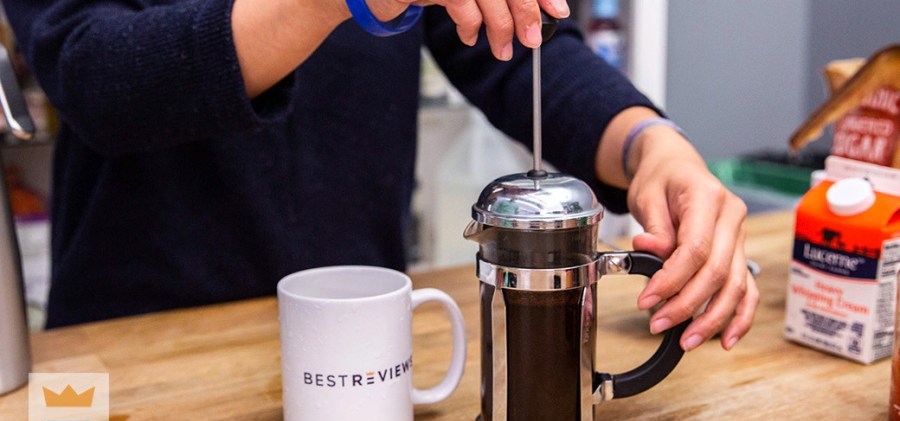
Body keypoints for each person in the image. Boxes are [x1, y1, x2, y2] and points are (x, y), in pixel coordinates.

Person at [3, 0, 757, 351]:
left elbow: (513, 43)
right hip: (126, 352)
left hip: (361, 338)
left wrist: (651, 144)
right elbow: (92, 71)